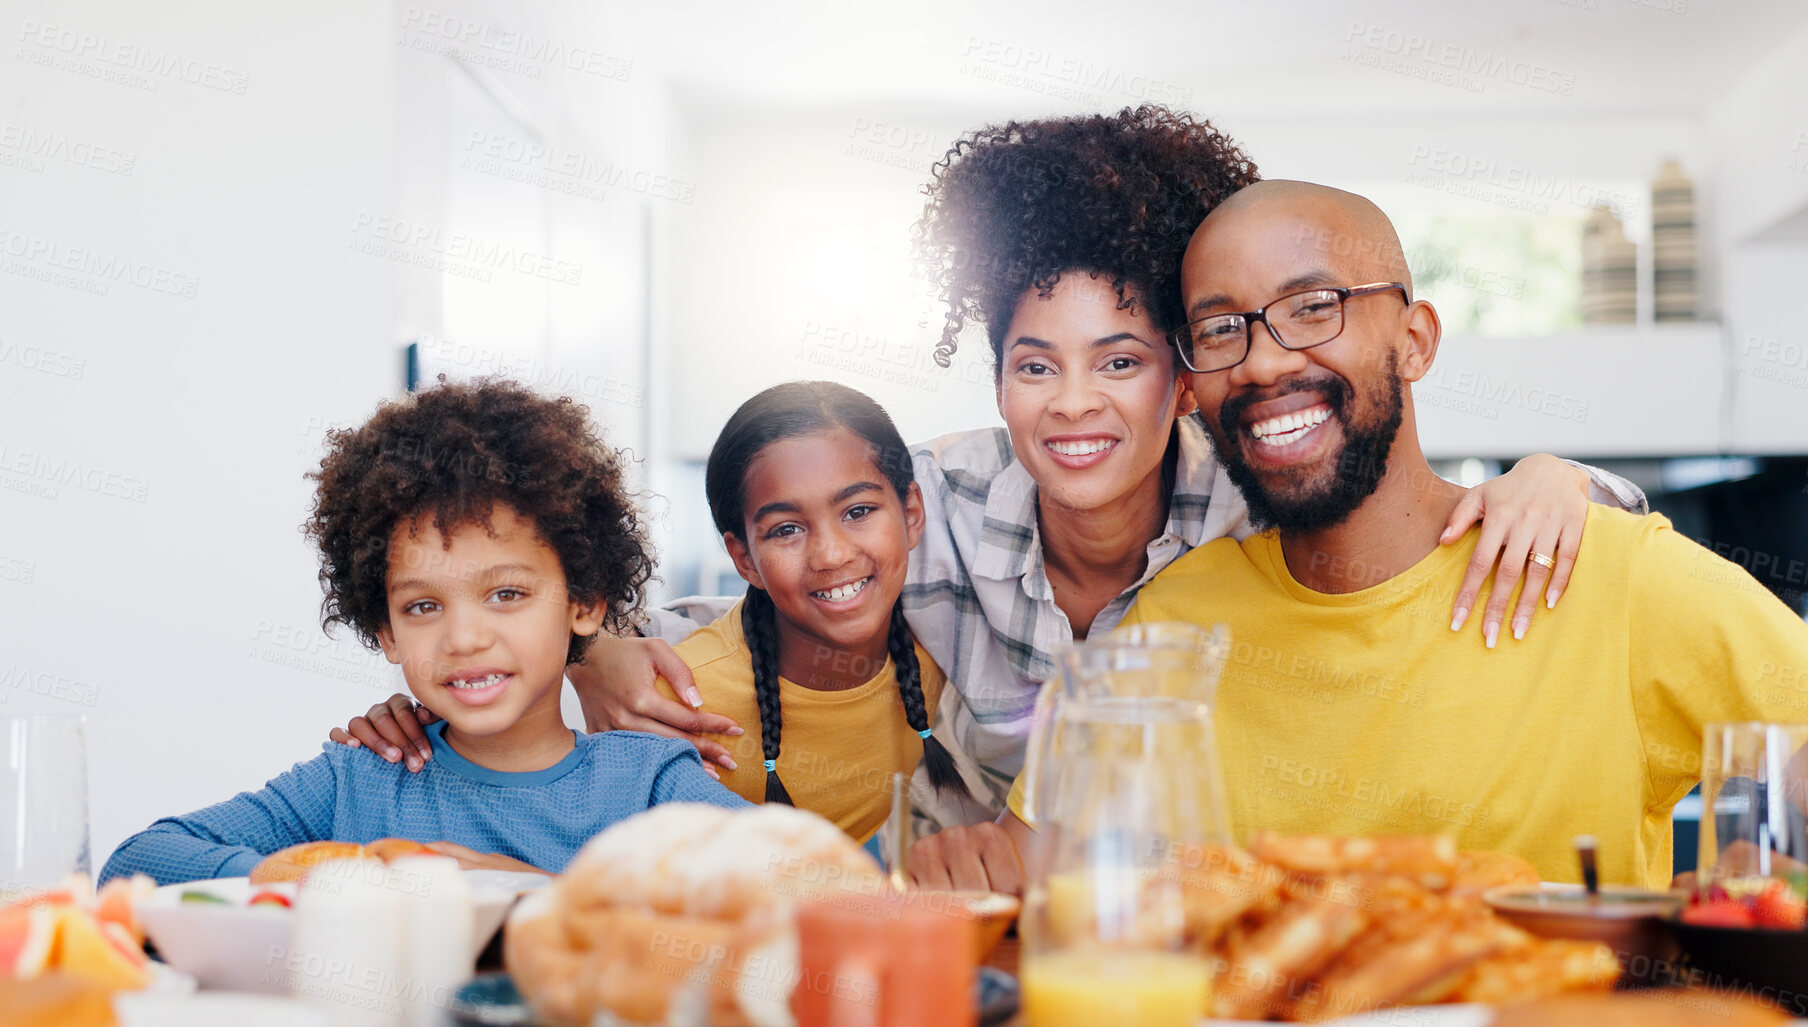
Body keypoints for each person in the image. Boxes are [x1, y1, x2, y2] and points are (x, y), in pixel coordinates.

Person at [333, 109, 1643, 878]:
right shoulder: (936, 504)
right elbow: (751, 596)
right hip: (977, 913)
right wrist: (599, 648)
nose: (1072, 402)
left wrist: (1559, 477)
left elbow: (1424, 513)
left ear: (1183, 380)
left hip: (1202, 910)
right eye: (1034, 364)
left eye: (1119, 360)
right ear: (997, 377)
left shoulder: (1252, 497)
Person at [1082, 179, 1808, 885]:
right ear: (1191, 382)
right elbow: (1086, 893)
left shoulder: (1617, 578)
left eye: (1313, 306)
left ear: (1414, 340)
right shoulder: (1172, 623)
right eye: (1220, 327)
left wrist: (1740, 924)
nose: (1264, 360)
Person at [100, 380, 742, 886]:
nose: (464, 638)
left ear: (584, 604)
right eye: (423, 607)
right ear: (385, 633)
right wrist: (333, 881)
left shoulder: (646, 784)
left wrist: (546, 897)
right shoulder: (362, 777)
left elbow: (821, 891)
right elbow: (138, 862)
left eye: (506, 595)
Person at [667, 380, 968, 843]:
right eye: (786, 529)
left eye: (858, 510)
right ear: (744, 557)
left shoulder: (944, 641)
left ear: (910, 513)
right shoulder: (679, 702)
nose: (830, 555)